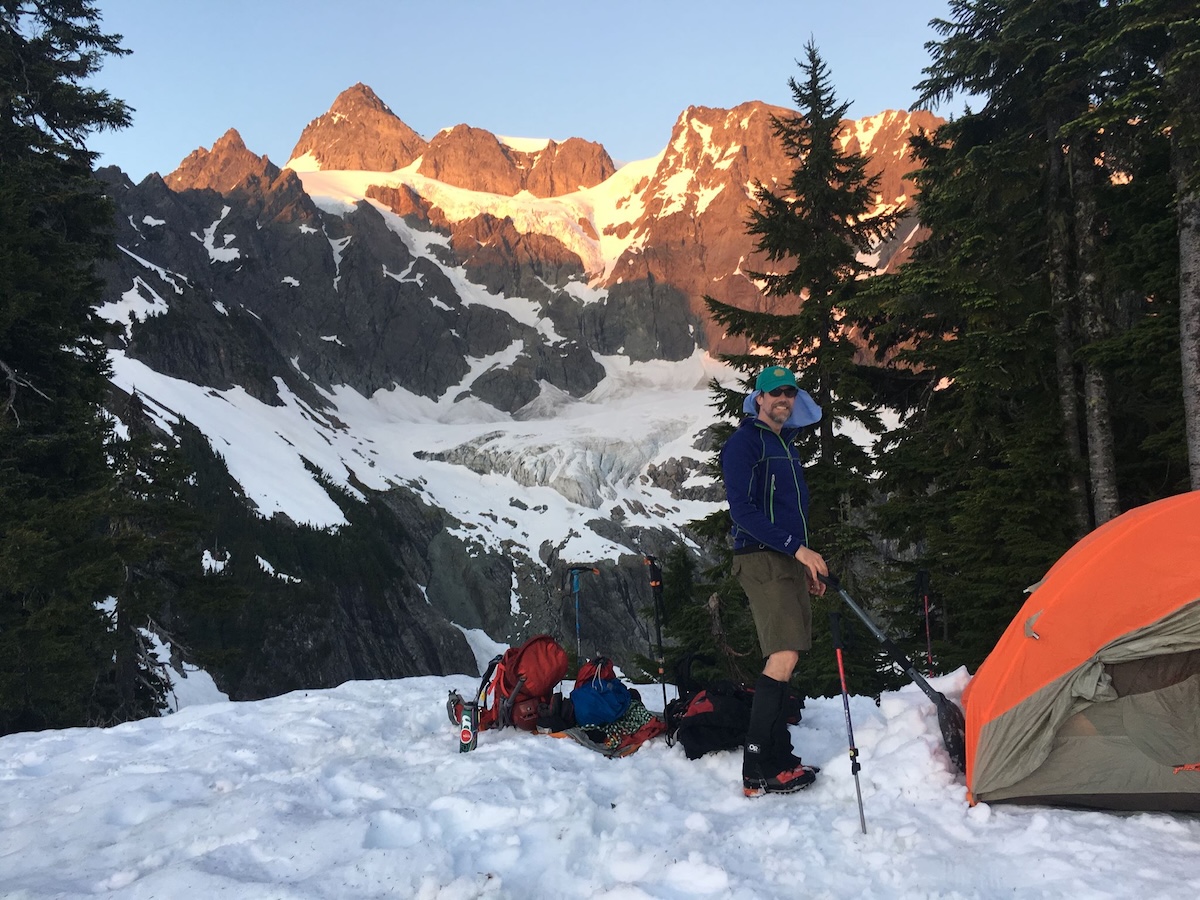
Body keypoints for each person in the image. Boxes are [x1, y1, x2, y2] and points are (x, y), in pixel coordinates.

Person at [719, 364, 829, 797]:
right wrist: (798, 550)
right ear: (758, 399)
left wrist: (801, 560)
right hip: (760, 558)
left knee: (790, 655)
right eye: (774, 392)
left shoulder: (786, 445)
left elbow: (790, 510)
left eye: (789, 392)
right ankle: (758, 766)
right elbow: (742, 512)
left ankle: (777, 756)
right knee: (781, 655)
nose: (783, 398)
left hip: (783, 558)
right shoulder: (746, 443)